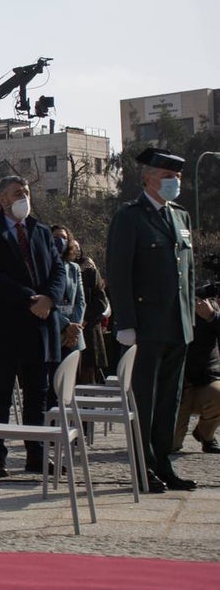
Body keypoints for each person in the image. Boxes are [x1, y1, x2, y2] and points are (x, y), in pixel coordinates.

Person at [107, 147, 196, 492]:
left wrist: (190, 317)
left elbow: (185, 273)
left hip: (178, 324)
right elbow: (119, 271)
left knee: (169, 400)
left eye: (177, 177)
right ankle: (143, 467)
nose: (174, 183)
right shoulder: (130, 217)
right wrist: (125, 322)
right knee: (144, 398)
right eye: (167, 177)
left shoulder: (180, 216)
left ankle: (163, 463)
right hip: (145, 324)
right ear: (147, 179)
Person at [0, 176, 64, 477]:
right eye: (16, 193)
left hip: (40, 326)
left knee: (37, 394)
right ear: (1, 199)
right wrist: (30, 299)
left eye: (26, 192)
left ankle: (36, 454)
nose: (23, 197)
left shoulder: (40, 231)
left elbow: (58, 269)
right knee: (1, 395)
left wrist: (49, 298)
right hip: (7, 327)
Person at [175, 295, 220, 454]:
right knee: (170, 446)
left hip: (205, 380)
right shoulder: (168, 307)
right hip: (176, 385)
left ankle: (205, 434)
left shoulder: (208, 308)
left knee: (218, 394)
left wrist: (212, 317)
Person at [50, 225, 86, 402]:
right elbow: (45, 301)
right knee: (53, 388)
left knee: (71, 389)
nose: (60, 241)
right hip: (54, 332)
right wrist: (65, 325)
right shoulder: (45, 268)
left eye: (64, 237)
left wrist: (75, 327)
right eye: (56, 237)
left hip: (74, 336)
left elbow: (80, 301)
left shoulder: (74, 268)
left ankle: (74, 427)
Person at [74, 239, 110, 384]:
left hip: (88, 331)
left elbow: (101, 302)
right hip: (65, 331)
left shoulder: (90, 271)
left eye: (77, 248)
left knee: (87, 377)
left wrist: (85, 318)